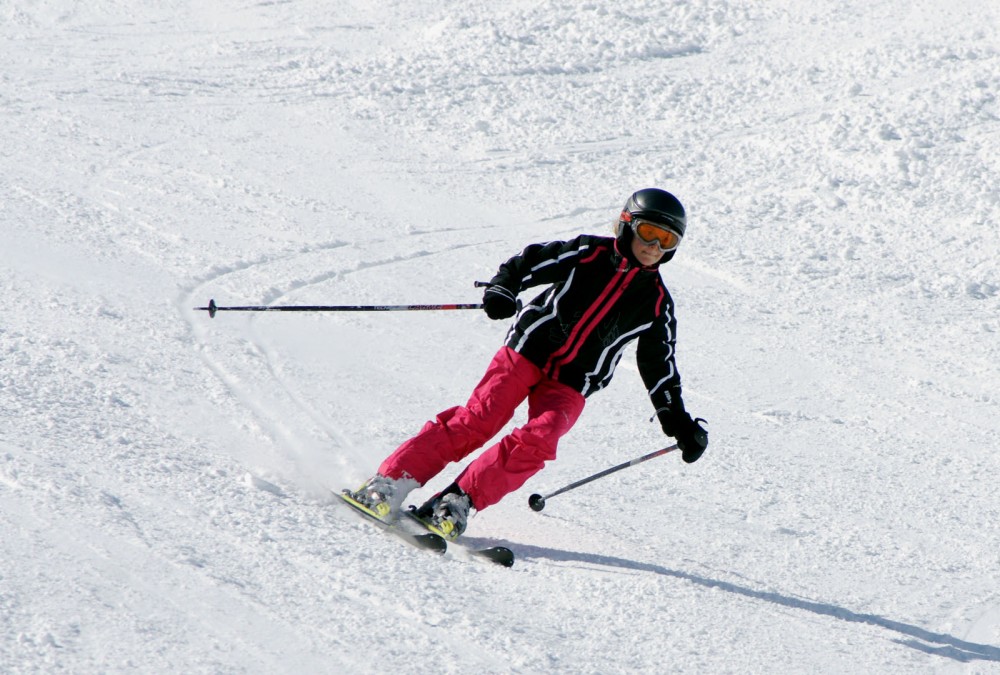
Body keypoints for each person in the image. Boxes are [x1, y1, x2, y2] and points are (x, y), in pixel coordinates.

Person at [345, 188, 708, 540]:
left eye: (667, 240)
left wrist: (678, 424)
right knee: (478, 420)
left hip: (573, 382)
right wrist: (504, 287)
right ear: (627, 224)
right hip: (528, 350)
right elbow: (531, 261)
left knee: (541, 439)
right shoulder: (588, 253)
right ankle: (388, 484)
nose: (654, 247)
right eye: (649, 232)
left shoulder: (657, 303)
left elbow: (660, 366)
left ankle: (455, 503)